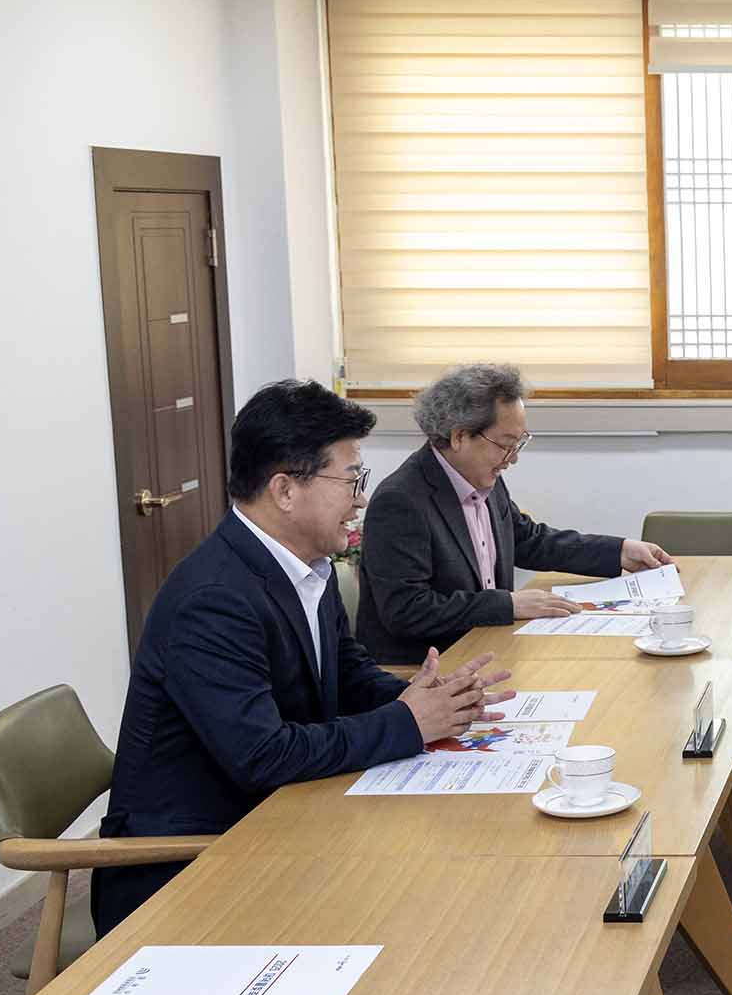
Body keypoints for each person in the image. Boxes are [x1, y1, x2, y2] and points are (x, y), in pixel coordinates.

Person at [94, 380, 512, 935]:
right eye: (351, 480)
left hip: (281, 819)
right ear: (285, 490)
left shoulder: (305, 566)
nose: (361, 499)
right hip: (189, 865)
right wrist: (409, 722)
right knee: (420, 916)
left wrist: (431, 699)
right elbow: (262, 755)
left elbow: (347, 673)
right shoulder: (214, 600)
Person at [356, 363, 672, 665]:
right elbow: (407, 611)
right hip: (425, 670)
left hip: (489, 648)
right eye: (505, 444)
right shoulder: (401, 501)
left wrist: (618, 551)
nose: (512, 459)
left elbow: (527, 540)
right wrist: (507, 604)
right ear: (459, 436)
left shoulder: (482, 477)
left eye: (519, 444)